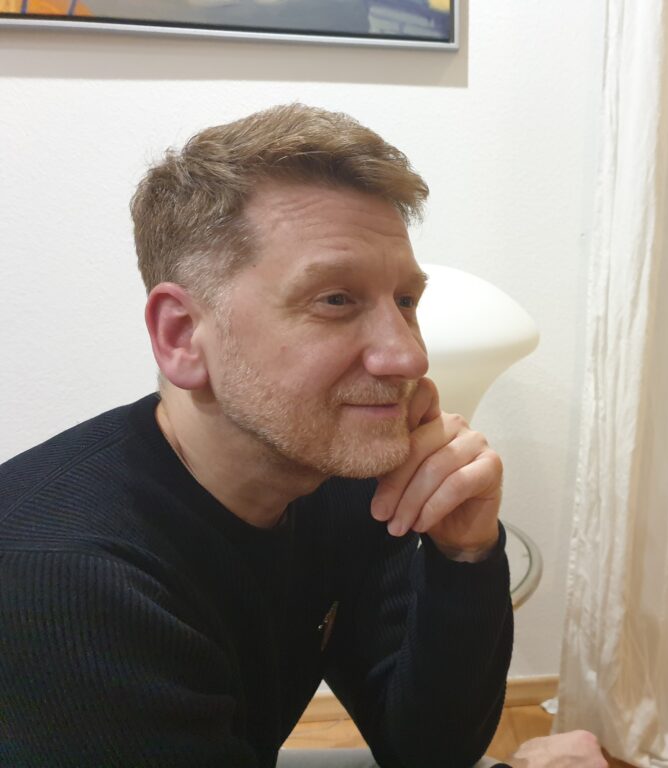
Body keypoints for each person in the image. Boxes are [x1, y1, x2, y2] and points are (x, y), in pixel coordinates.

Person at [0, 104, 606, 768]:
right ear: (182, 336)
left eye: (406, 301)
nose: (409, 356)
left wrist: (463, 555)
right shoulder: (66, 584)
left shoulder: (334, 476)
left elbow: (430, 749)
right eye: (336, 299)